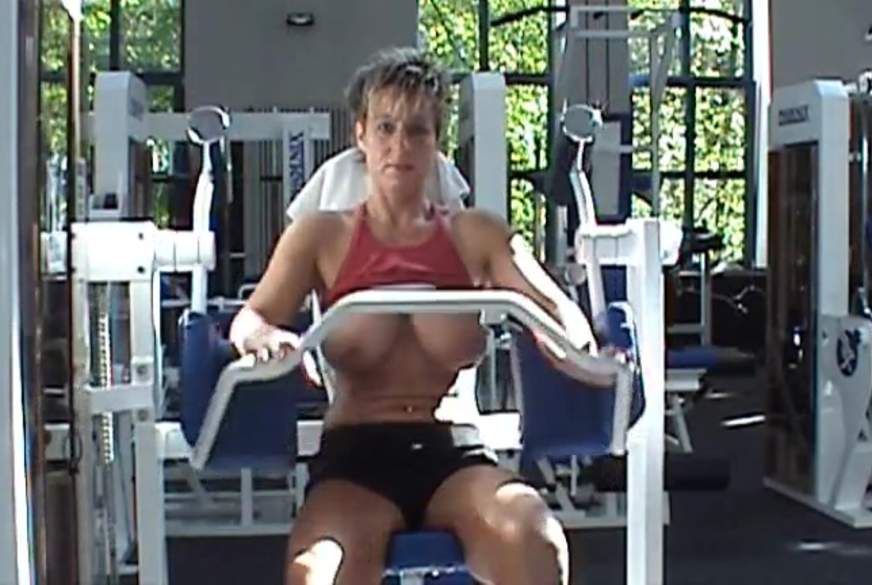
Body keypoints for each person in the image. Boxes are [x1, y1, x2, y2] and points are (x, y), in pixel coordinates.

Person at [230, 47, 604, 585]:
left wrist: (579, 351)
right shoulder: (321, 236)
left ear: (436, 142)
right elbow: (250, 319)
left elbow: (560, 313)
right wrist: (265, 339)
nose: (399, 146)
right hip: (356, 460)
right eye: (385, 127)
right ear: (360, 135)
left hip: (453, 452)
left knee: (535, 541)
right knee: (316, 575)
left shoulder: (477, 235)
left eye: (417, 131)